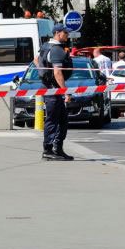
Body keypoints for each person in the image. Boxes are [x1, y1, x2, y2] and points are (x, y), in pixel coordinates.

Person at [37, 24, 73, 161]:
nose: (67, 35)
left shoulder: (46, 46)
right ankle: (48, 150)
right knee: (52, 120)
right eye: (65, 33)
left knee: (62, 120)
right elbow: (57, 72)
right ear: (58, 33)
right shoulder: (57, 49)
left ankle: (58, 149)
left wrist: (43, 73)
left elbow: (36, 59)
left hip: (50, 87)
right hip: (54, 89)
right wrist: (65, 92)